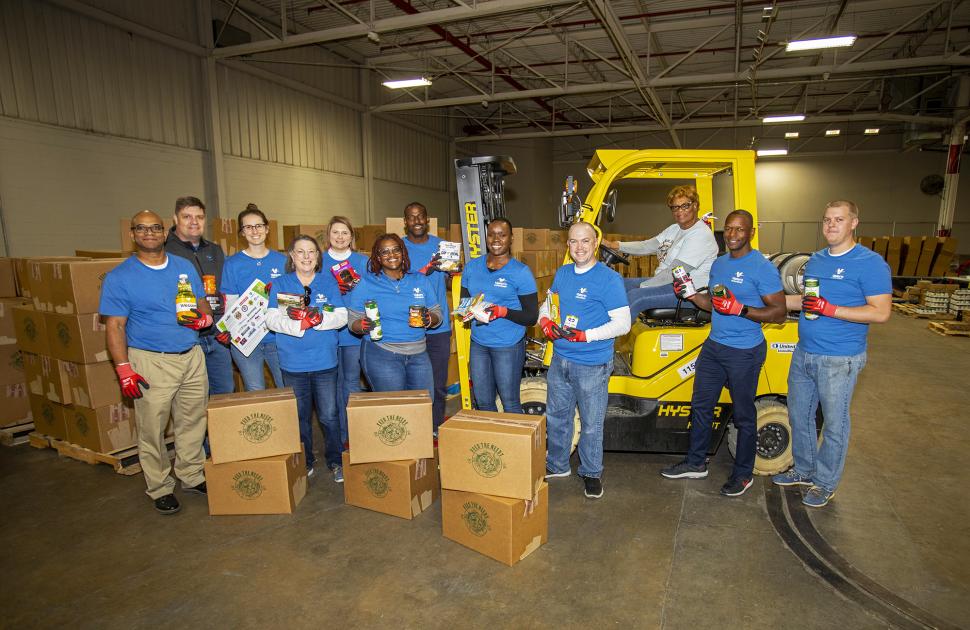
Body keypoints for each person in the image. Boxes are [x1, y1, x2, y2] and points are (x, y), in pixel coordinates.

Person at [772, 200, 891, 508]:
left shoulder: (870, 262)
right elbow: (806, 302)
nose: (831, 225)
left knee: (835, 424)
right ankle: (804, 469)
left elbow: (880, 313)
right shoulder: (817, 260)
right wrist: (766, 303)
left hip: (840, 358)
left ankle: (825, 483)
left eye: (839, 219)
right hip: (805, 352)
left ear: (854, 223)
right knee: (800, 416)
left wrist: (832, 309)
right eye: (826, 220)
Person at [660, 210, 787, 496]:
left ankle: (743, 474)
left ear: (751, 233)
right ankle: (696, 463)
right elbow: (715, 304)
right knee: (701, 406)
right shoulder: (719, 264)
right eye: (728, 229)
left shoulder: (761, 267)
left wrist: (740, 309)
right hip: (715, 346)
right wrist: (693, 295)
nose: (732, 234)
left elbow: (779, 313)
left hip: (744, 351)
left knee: (743, 416)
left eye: (739, 230)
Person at [101, 210, 214, 515]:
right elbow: (115, 326)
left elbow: (201, 299)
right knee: (152, 428)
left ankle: (191, 475)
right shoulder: (120, 277)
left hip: (190, 355)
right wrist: (123, 368)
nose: (149, 233)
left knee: (192, 421)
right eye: (142, 228)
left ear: (165, 233)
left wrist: (205, 317)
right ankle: (160, 487)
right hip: (151, 360)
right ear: (132, 234)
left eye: (155, 228)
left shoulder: (183, 266)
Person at [540, 222, 630, 499]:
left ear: (595, 243)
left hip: (592, 363)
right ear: (567, 245)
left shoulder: (608, 279)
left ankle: (591, 473)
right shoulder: (564, 273)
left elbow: (623, 324)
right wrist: (544, 319)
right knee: (557, 417)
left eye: (585, 241)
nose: (579, 247)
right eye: (573, 242)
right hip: (560, 359)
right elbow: (549, 303)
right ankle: (557, 465)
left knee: (591, 424)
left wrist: (585, 336)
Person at [266, 235, 348, 482]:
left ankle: (335, 460)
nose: (306, 257)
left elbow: (342, 316)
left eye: (311, 252)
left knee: (329, 415)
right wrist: (298, 324)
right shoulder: (281, 283)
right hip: (293, 362)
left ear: (317, 256)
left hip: (324, 361)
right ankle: (306, 460)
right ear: (292, 255)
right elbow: (270, 319)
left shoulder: (328, 282)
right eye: (300, 252)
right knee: (300, 415)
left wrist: (320, 319)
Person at [601, 185, 718, 316]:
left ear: (695, 206)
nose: (679, 211)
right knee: (617, 284)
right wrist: (614, 245)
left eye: (685, 206)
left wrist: (644, 286)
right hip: (666, 284)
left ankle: (610, 334)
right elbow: (647, 246)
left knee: (636, 296)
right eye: (675, 207)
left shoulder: (700, 234)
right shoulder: (675, 229)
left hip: (687, 292)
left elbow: (673, 273)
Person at [347, 234, 441, 395]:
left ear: (403, 252)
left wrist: (429, 319)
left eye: (396, 250)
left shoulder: (420, 280)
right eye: (385, 252)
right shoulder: (367, 283)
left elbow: (437, 314)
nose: (391, 255)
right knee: (395, 407)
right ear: (378, 257)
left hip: (418, 353)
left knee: (424, 405)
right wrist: (361, 326)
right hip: (382, 353)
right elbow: (353, 321)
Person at [462, 218, 538, 412]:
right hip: (479, 343)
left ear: (511, 239)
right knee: (483, 401)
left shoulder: (521, 272)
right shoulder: (472, 267)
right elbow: (465, 301)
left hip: (508, 345)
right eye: (491, 234)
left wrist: (502, 311)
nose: (496, 239)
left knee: (510, 401)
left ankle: (515, 443)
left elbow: (531, 316)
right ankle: (492, 442)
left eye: (502, 235)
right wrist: (467, 311)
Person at [164, 196, 233, 395]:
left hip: (217, 337)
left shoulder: (215, 250)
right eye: (187, 216)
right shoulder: (164, 252)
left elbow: (225, 290)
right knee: (193, 398)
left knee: (224, 392)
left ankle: (220, 428)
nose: (194, 221)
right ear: (175, 219)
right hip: (187, 338)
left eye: (199, 217)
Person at [220, 203, 287, 391]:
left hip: (278, 338)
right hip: (247, 342)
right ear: (242, 232)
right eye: (248, 227)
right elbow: (230, 303)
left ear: (267, 228)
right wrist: (228, 328)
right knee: (255, 390)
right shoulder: (232, 264)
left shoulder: (283, 261)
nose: (254, 231)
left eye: (258, 225)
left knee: (287, 389)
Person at [401, 202, 452, 431]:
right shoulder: (398, 247)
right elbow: (395, 282)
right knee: (412, 383)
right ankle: (413, 426)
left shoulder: (442, 245)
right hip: (408, 326)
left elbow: (450, 282)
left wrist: (452, 273)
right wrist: (425, 271)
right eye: (412, 217)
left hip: (438, 326)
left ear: (428, 219)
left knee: (438, 383)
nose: (417, 221)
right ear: (405, 222)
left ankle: (434, 425)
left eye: (421, 216)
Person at [321, 216, 369, 447]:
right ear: (328, 235)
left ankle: (352, 434)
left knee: (350, 382)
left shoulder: (362, 261)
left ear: (352, 236)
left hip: (353, 332)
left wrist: (359, 286)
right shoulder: (318, 261)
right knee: (330, 386)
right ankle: (336, 435)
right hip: (324, 333)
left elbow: (372, 292)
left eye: (344, 233)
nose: (340, 237)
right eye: (335, 232)